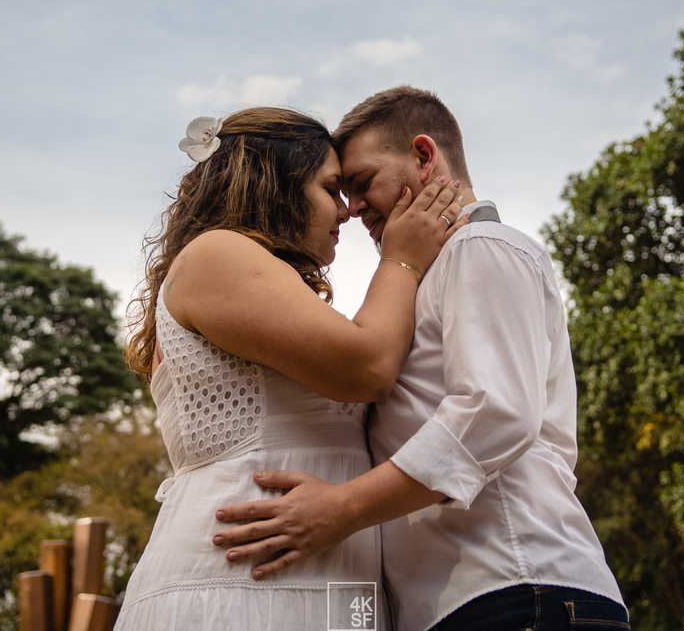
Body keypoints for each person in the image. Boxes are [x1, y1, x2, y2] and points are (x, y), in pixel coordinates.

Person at [212, 88, 628, 631]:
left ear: (424, 156)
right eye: (340, 190)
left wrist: (342, 508)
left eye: (361, 184)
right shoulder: (425, 281)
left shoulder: (482, 247)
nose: (351, 207)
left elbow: (494, 413)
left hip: (518, 583)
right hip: (465, 601)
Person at [114, 106, 467, 631]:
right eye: (329, 189)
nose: (347, 211)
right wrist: (403, 260)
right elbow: (367, 365)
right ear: (275, 186)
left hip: (337, 594)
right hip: (238, 584)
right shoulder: (213, 255)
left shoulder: (271, 290)